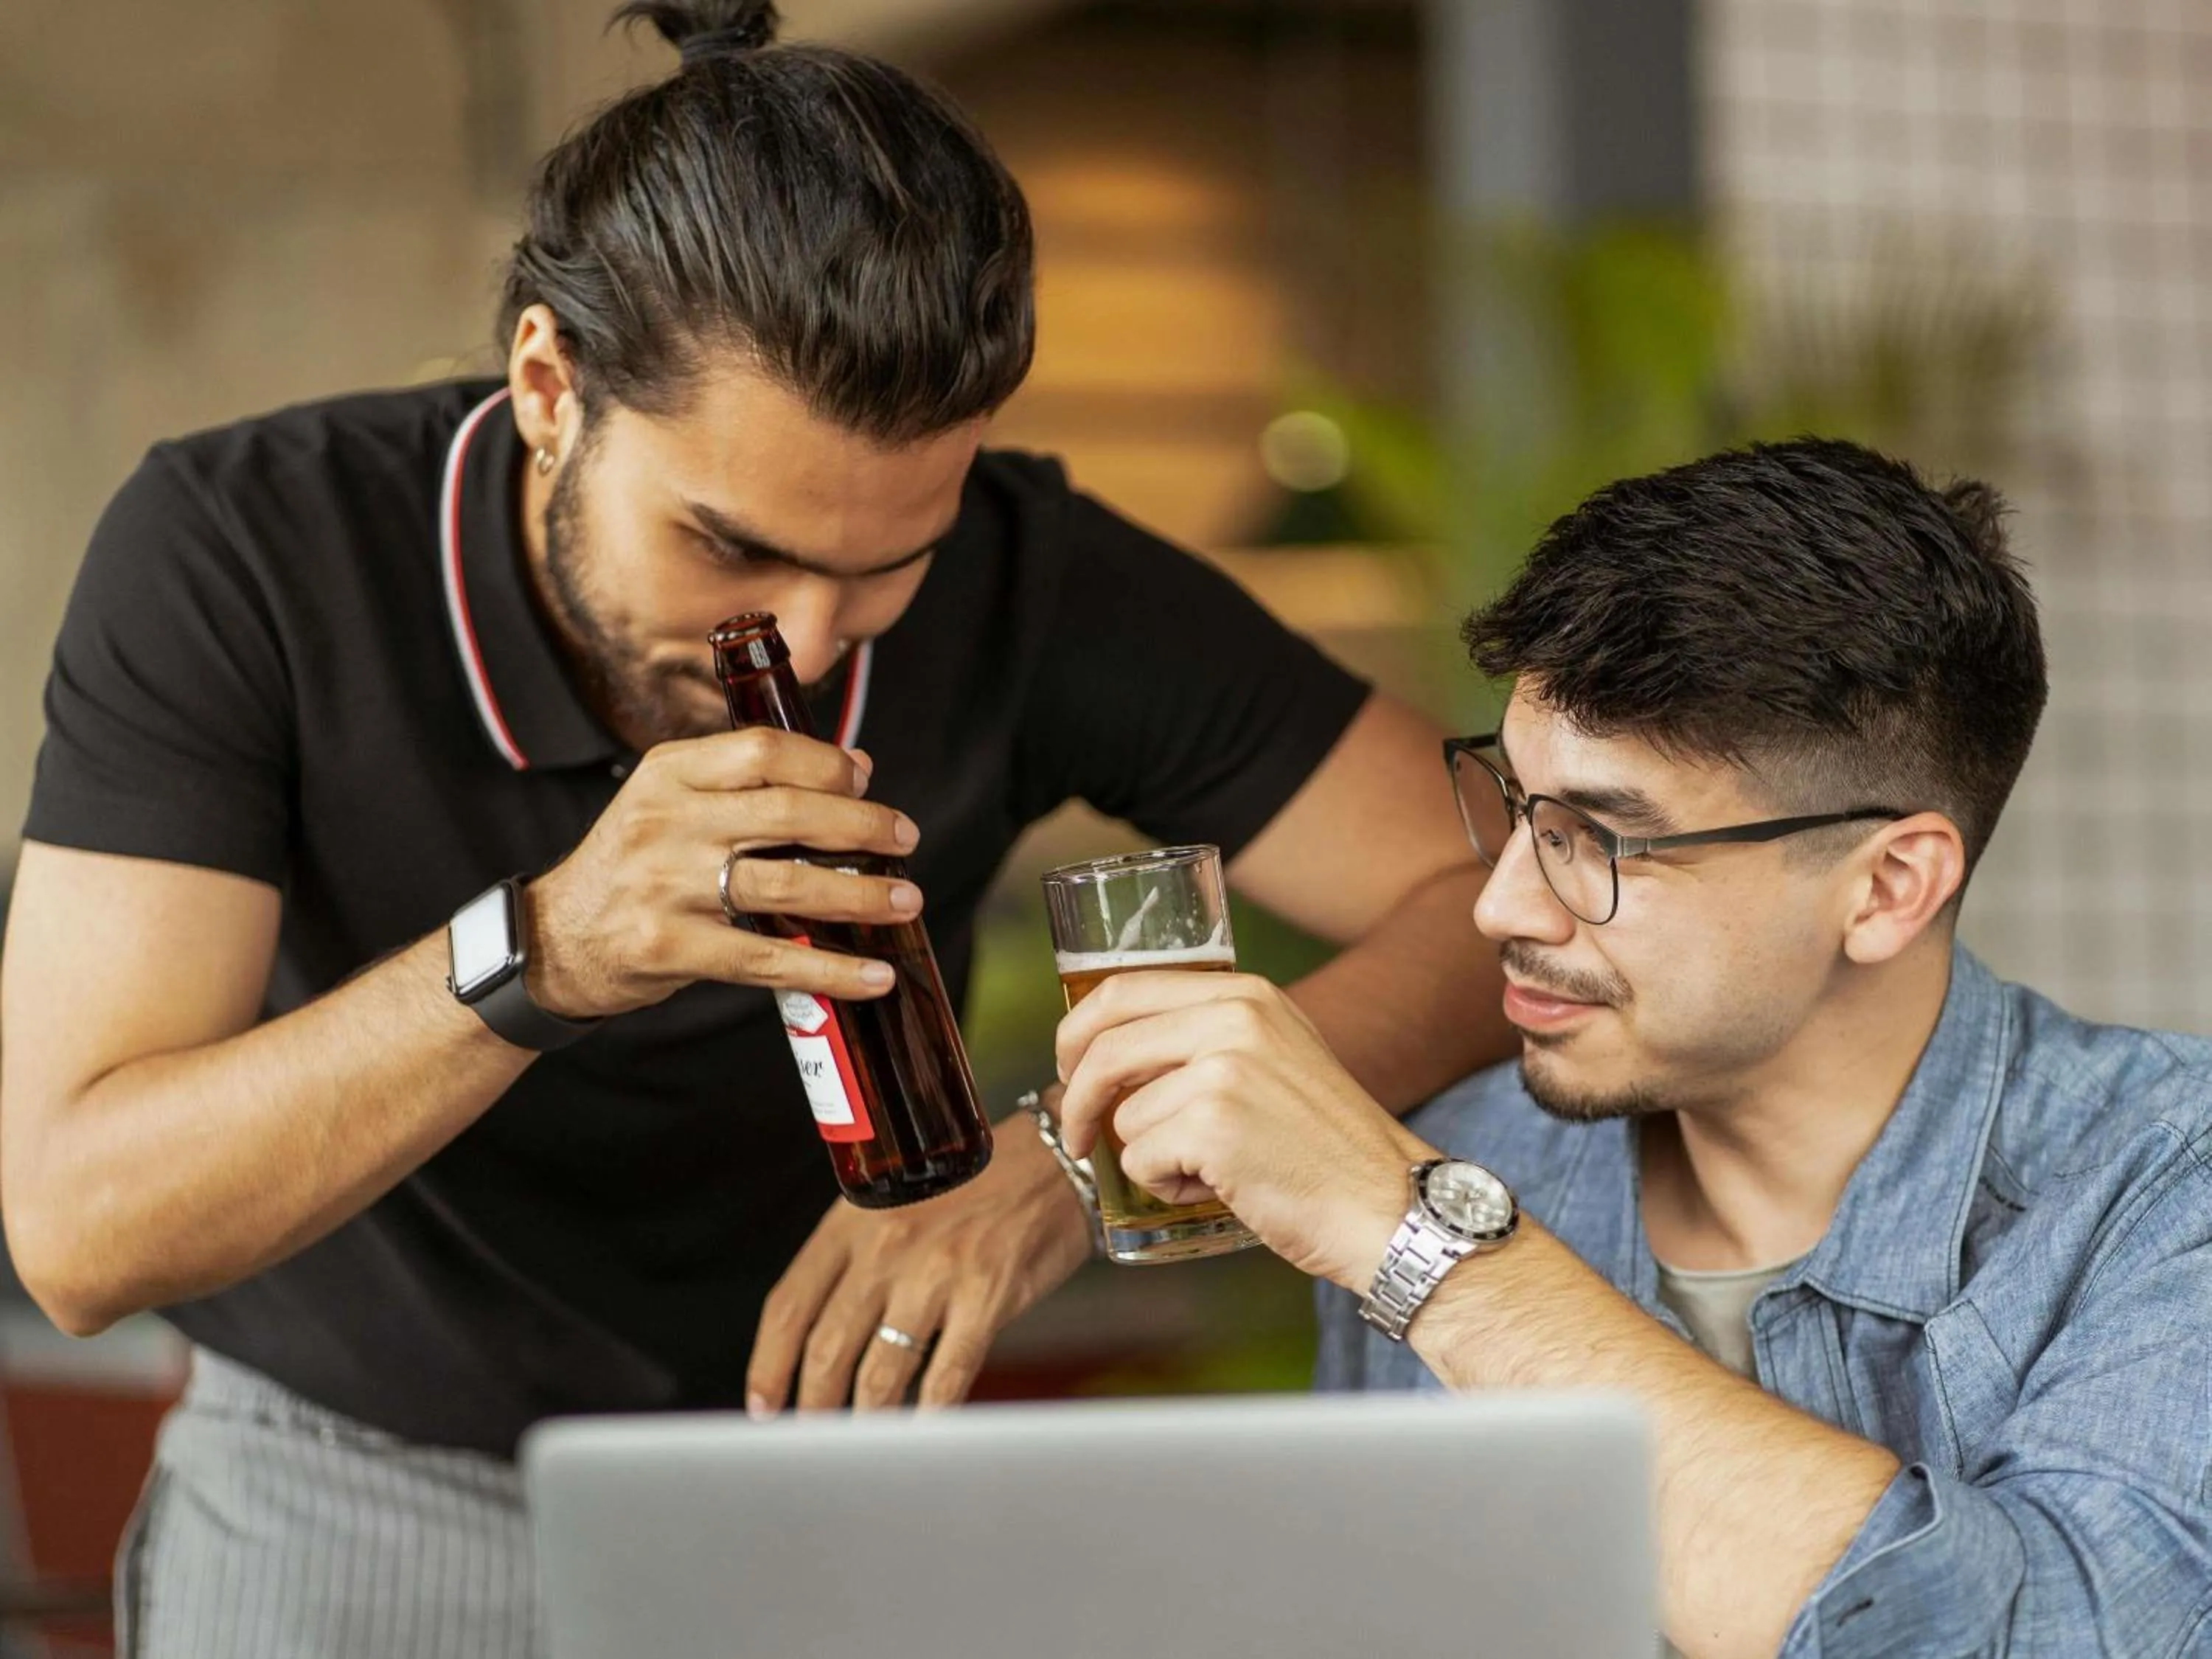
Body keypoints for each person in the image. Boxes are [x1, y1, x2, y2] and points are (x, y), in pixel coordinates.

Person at [0, 2, 1509, 1652]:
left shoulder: (1026, 574)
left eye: (885, 563)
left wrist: (1071, 1165)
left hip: (807, 1473)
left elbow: (1491, 897)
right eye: (728, 546)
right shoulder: (242, 555)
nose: (799, 639)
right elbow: (79, 1230)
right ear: (548, 387)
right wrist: (547, 949)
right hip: (344, 1474)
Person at [1057, 438, 2212, 1658]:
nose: (1502, 905)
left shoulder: (2161, 1187)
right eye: (1515, 805)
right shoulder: (1468, 1152)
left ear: (1887, 887)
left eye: (1602, 838)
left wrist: (1427, 1248)